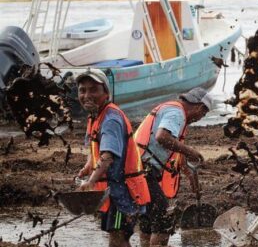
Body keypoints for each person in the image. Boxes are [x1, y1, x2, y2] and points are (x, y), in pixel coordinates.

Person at [76, 68, 151, 247]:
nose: (87, 95)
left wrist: (91, 181)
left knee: (118, 240)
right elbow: (97, 148)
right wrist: (89, 166)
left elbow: (108, 157)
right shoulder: (95, 116)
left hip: (123, 193)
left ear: (106, 93)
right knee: (117, 238)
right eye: (82, 90)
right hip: (113, 192)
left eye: (94, 89)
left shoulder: (110, 119)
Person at [134, 87, 212, 247]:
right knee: (162, 215)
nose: (199, 118)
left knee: (148, 216)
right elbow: (162, 137)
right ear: (199, 107)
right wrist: (190, 150)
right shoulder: (177, 113)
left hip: (136, 168)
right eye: (203, 114)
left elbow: (178, 153)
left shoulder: (172, 109)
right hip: (142, 169)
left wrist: (191, 178)